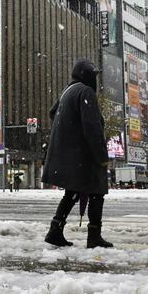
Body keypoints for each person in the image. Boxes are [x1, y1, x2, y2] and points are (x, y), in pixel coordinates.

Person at [42, 59, 112, 249]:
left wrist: (68, 132)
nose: (95, 79)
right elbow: (92, 128)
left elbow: (52, 112)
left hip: (69, 154)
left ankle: (55, 230)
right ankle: (94, 236)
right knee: (97, 192)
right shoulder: (85, 92)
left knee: (72, 193)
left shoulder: (68, 91)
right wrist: (102, 157)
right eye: (93, 74)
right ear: (86, 75)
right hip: (85, 155)